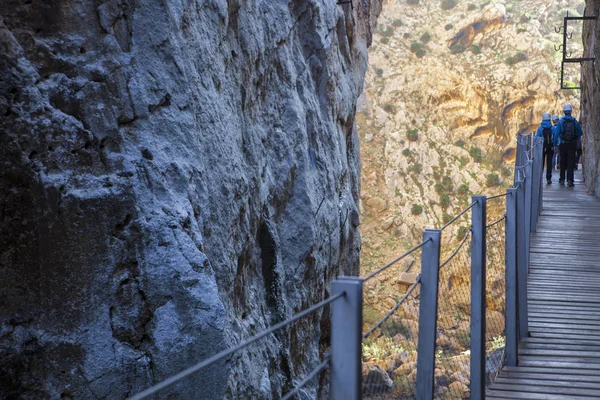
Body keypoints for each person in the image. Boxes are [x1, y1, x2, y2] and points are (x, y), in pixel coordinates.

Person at [555, 104, 583, 187]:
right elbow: (580, 132)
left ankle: (562, 179)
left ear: (564, 111)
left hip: (563, 144)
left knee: (562, 161)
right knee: (571, 162)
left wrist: (555, 144)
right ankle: (570, 180)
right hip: (572, 144)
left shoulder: (561, 121)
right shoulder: (575, 121)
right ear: (571, 111)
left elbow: (557, 133)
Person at [536, 113, 554, 184]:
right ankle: (548, 178)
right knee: (549, 163)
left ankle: (540, 178)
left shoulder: (540, 128)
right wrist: (554, 146)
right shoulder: (552, 128)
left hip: (542, 148)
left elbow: (537, 138)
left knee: (541, 163)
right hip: (550, 148)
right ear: (549, 119)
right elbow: (555, 137)